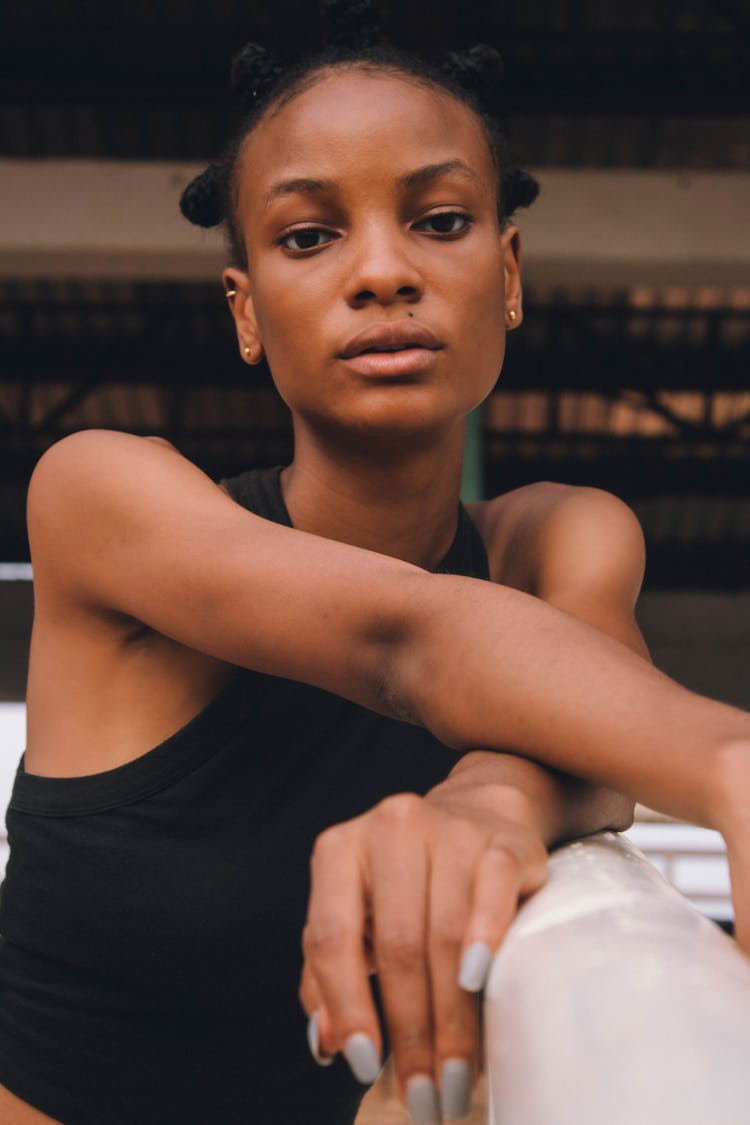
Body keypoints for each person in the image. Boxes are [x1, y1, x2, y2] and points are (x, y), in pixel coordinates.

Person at [1, 4, 749, 1124]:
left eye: (439, 221)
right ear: (245, 311)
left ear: (509, 274)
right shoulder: (104, 496)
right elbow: (412, 641)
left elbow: (596, 730)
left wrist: (489, 798)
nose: (384, 272)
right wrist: (733, 757)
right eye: (309, 237)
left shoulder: (563, 536)